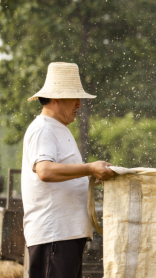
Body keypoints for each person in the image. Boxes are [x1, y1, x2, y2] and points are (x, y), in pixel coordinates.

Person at [22, 62, 115, 278]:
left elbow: (62, 173)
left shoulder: (57, 128)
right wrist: (90, 168)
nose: (79, 104)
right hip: (54, 236)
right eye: (74, 98)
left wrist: (91, 175)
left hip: (64, 236)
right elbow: (44, 170)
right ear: (56, 98)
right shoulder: (43, 129)